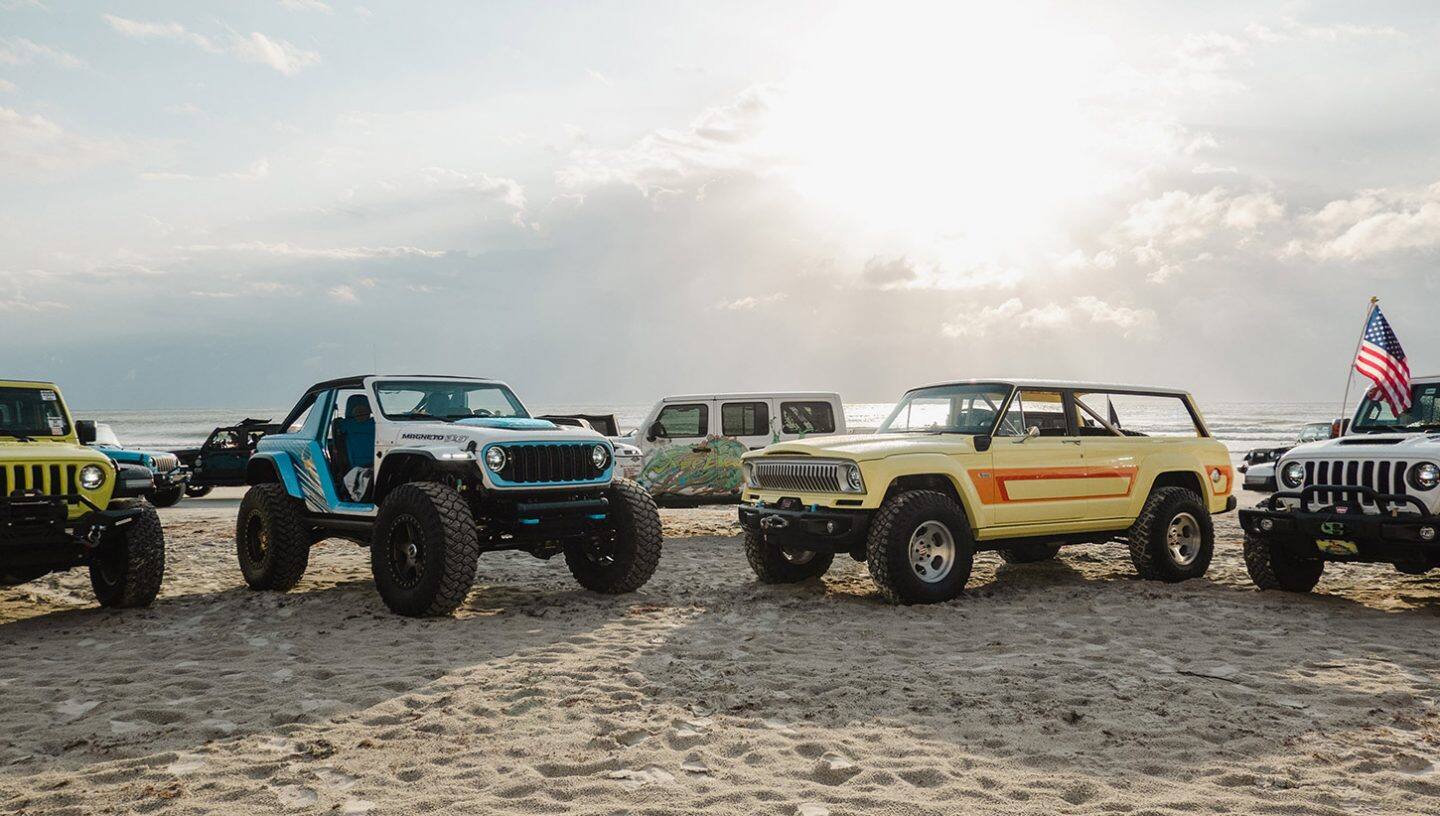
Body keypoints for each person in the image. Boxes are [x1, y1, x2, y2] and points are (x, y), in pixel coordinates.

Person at [336, 395, 375, 500]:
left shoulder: (344, 425)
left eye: (364, 411)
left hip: (368, 466)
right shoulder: (376, 424)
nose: (361, 413)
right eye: (358, 410)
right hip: (365, 466)